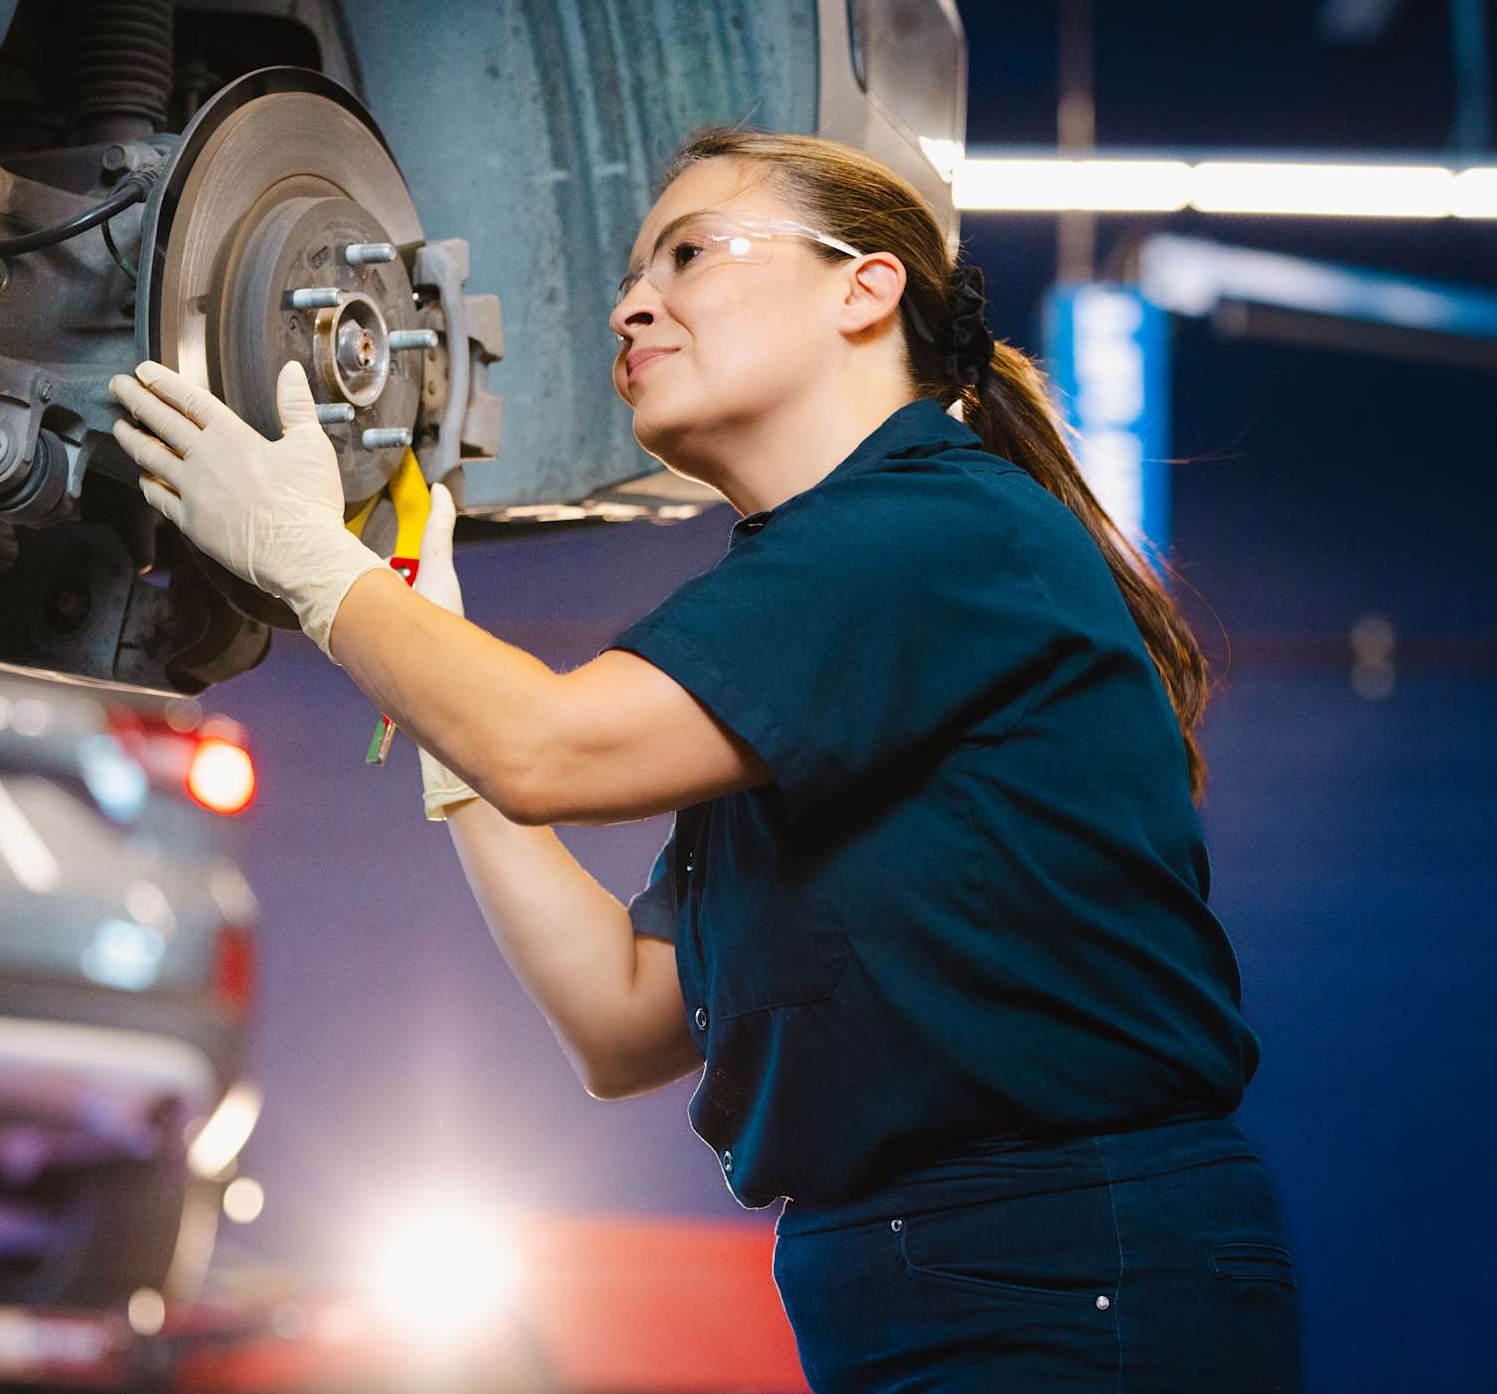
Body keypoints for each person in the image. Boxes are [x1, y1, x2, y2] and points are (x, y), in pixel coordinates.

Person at [109, 126, 1300, 1392]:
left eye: (686, 252)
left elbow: (552, 747)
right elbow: (620, 1016)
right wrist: (441, 710)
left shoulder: (928, 533)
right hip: (930, 1279)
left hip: (1060, 1269)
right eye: (632, 275)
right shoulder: (824, 603)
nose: (629, 305)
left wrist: (323, 576)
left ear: (865, 285)